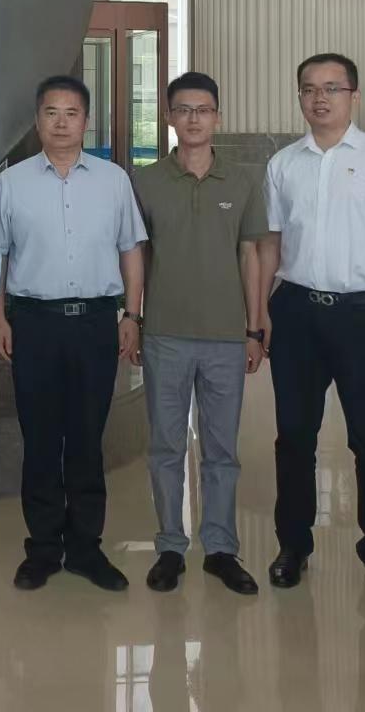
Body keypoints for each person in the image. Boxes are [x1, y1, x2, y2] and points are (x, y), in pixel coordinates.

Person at [262, 53, 365, 605]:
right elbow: (272, 244)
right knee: (294, 437)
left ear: (353, 96)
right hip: (297, 313)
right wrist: (261, 314)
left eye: (332, 88)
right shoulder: (283, 164)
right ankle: (293, 546)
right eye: (310, 88)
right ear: (300, 96)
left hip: (364, 315)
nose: (320, 98)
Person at [0, 75, 146, 592]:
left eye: (71, 113)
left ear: (86, 121)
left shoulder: (113, 180)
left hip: (95, 324)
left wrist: (132, 316)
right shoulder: (12, 183)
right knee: (39, 439)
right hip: (34, 323)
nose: (61, 123)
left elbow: (131, 249)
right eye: (51, 113)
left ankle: (85, 548)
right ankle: (42, 548)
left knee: (86, 439)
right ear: (37, 121)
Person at [130, 71, 268, 597]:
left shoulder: (242, 181)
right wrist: (135, 319)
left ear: (217, 117)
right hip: (165, 335)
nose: (193, 118)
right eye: (183, 109)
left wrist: (254, 328)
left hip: (226, 338)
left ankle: (221, 548)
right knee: (166, 446)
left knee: (221, 449)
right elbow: (138, 257)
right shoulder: (145, 182)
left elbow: (251, 256)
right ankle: (170, 545)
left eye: (203, 110)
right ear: (169, 117)